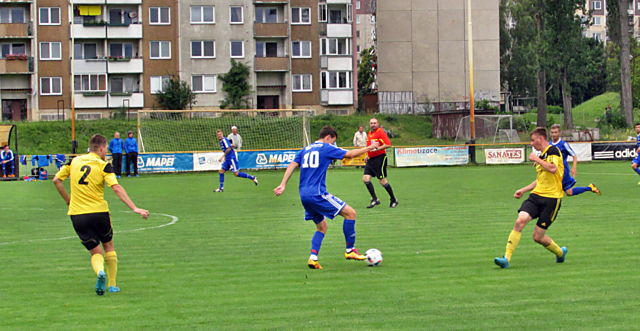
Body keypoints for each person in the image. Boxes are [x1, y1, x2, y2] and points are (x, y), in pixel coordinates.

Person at [52, 134, 149, 295]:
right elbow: (116, 188)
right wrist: (134, 208)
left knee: (95, 252)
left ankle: (99, 272)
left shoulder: (74, 161)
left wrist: (68, 200)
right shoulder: (104, 165)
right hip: (99, 212)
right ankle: (112, 284)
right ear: (102, 148)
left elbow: (56, 180)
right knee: (108, 246)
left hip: (78, 214)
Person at [274, 126, 380, 269]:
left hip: (304, 195)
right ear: (328, 137)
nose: (333, 145)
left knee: (321, 227)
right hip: (317, 193)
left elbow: (292, 165)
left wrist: (283, 184)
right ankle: (350, 250)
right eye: (333, 142)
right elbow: (350, 154)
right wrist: (370, 147)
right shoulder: (325, 147)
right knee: (351, 213)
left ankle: (313, 258)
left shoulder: (306, 149)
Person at [494, 127, 568, 269]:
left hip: (552, 199)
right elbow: (540, 180)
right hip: (536, 196)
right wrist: (524, 189)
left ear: (541, 139)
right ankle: (506, 259)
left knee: (538, 237)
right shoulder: (541, 156)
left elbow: (553, 169)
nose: (531, 144)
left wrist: (537, 160)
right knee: (519, 221)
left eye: (533, 140)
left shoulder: (553, 151)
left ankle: (559, 252)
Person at [549, 124, 600, 196]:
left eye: (556, 132)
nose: (554, 134)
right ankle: (590, 188)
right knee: (569, 192)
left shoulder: (563, 144)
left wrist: (574, 167)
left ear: (559, 133)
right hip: (554, 171)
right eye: (552, 132)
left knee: (554, 189)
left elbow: (574, 155)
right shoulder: (549, 144)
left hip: (563, 171)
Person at [363, 118, 398, 208]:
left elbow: (388, 144)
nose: (373, 124)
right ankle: (375, 199)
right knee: (366, 179)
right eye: (371, 123)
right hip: (371, 159)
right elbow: (369, 146)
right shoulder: (370, 133)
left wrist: (377, 149)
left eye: (374, 123)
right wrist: (367, 155)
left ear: (378, 123)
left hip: (380, 159)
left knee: (382, 181)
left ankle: (393, 199)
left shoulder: (381, 132)